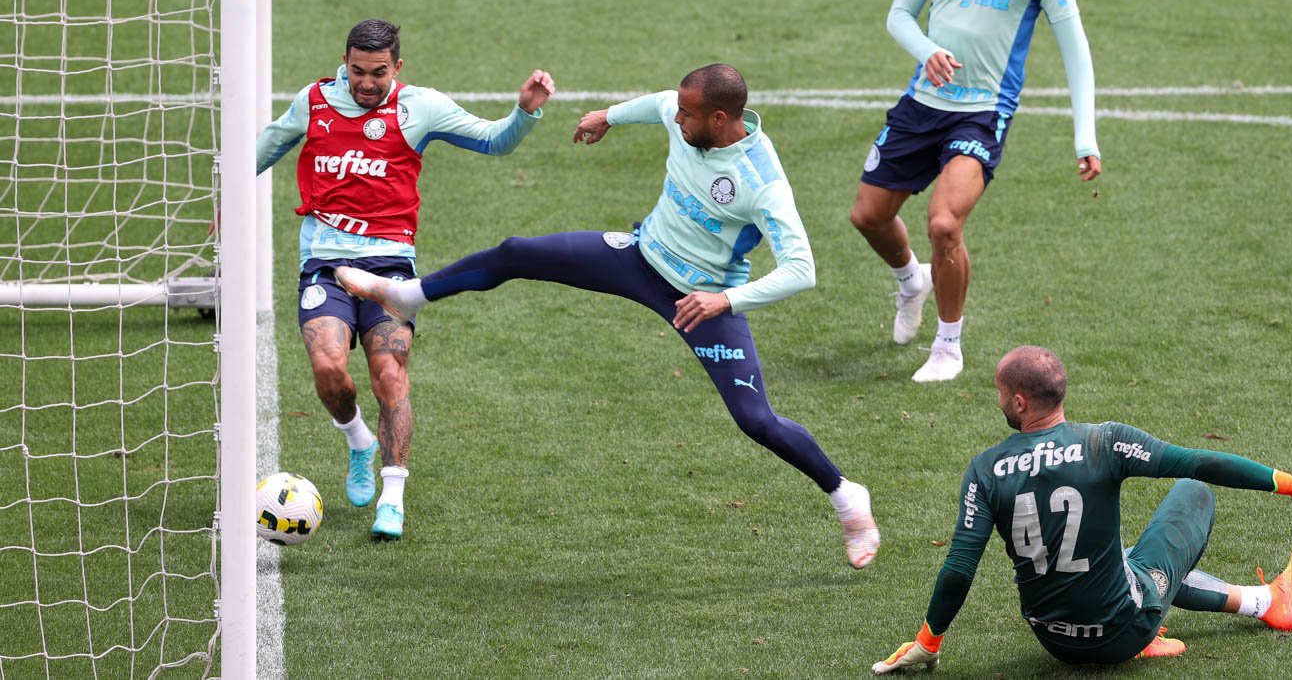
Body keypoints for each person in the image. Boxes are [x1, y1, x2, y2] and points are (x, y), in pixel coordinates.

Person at [335, 63, 883, 568]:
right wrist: (608, 117)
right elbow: (662, 101)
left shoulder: (761, 182)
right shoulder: (686, 114)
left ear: (719, 119)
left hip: (701, 301)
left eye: (688, 115)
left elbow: (802, 270)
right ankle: (408, 296)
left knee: (756, 420)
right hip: (638, 258)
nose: (677, 119)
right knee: (517, 252)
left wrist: (725, 300)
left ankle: (846, 496)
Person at [872, 345, 1292, 672]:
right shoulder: (1104, 442)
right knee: (1194, 491)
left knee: (1117, 558)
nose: (998, 400)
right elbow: (1199, 462)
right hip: (1123, 630)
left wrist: (928, 642)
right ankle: (1268, 604)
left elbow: (960, 568)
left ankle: (1263, 602)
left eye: (999, 393)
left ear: (1019, 403)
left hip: (1055, 643)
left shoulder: (985, 468)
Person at [255, 18, 554, 540]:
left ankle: (391, 499)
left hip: (390, 266)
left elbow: (493, 142)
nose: (366, 83)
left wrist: (525, 110)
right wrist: (225, 197)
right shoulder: (314, 102)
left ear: (397, 66)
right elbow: (265, 147)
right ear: (344, 64)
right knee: (328, 369)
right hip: (325, 262)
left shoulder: (421, 108)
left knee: (389, 375)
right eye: (357, 72)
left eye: (378, 73)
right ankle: (358, 440)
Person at [851, 0, 1102, 383]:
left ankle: (947, 346)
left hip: (984, 111)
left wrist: (1086, 138)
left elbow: (1076, 51)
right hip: (923, 102)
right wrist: (928, 51)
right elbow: (898, 15)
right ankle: (911, 282)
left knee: (944, 224)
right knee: (868, 216)